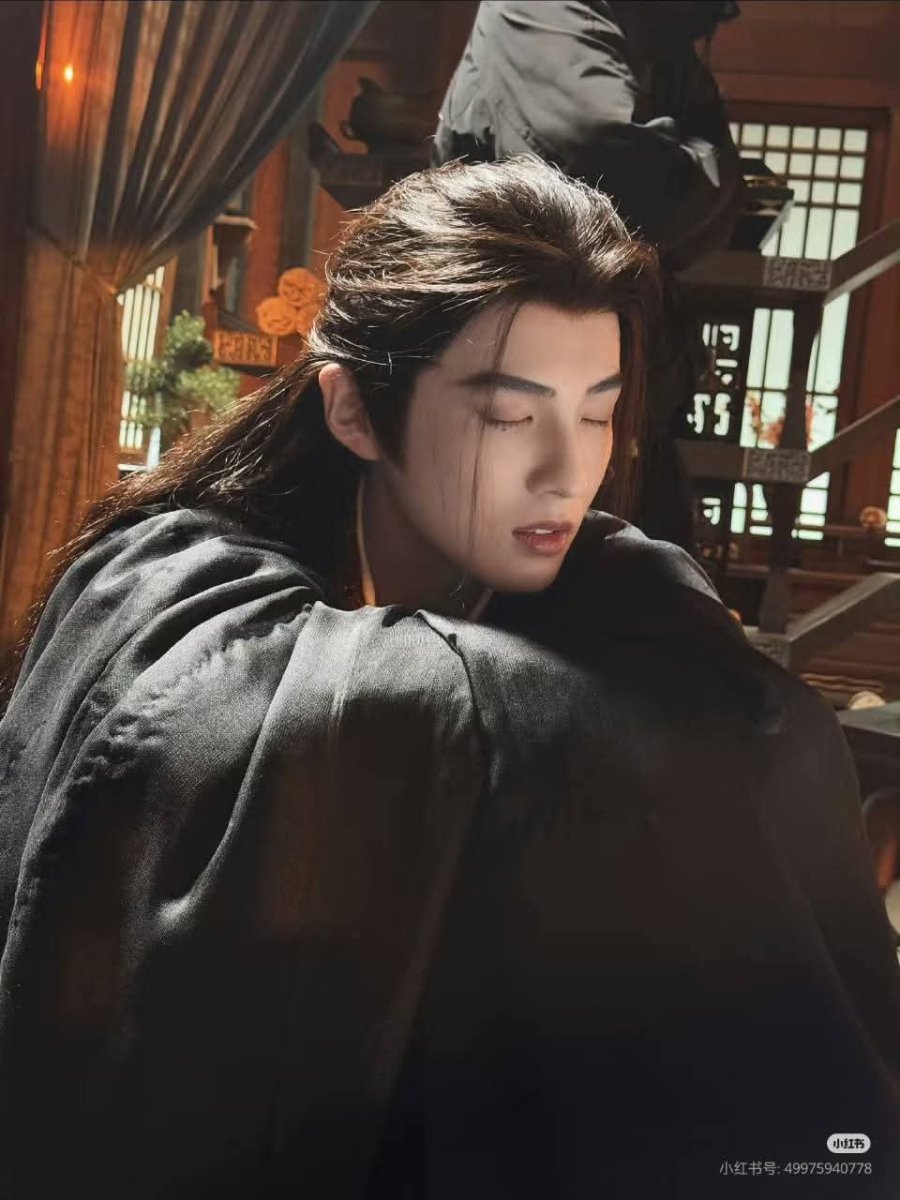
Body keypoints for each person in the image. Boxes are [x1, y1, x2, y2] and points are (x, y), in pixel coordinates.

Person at [0, 156, 899, 1199]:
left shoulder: (621, 589)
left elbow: (755, 751)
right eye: (509, 416)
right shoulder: (177, 588)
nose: (567, 471)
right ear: (353, 410)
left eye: (598, 412)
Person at [432, 0, 747, 554]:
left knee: (633, 570)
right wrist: (705, 158)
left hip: (603, 350)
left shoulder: (657, 32)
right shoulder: (547, 7)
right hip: (527, 335)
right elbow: (607, 170)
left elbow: (713, 211)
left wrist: (700, 171)